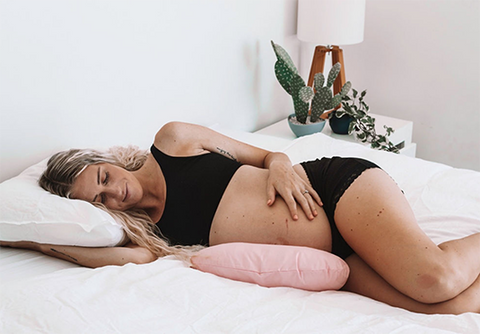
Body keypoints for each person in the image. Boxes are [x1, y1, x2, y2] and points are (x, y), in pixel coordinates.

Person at [1, 121, 480, 315]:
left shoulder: (172, 142)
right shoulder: (152, 233)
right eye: (99, 201)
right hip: (334, 257)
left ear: (104, 161)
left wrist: (283, 170)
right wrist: (39, 244)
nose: (113, 193)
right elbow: (130, 257)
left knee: (434, 279)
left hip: (334, 194)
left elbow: (269, 154)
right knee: (450, 309)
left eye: (102, 178)